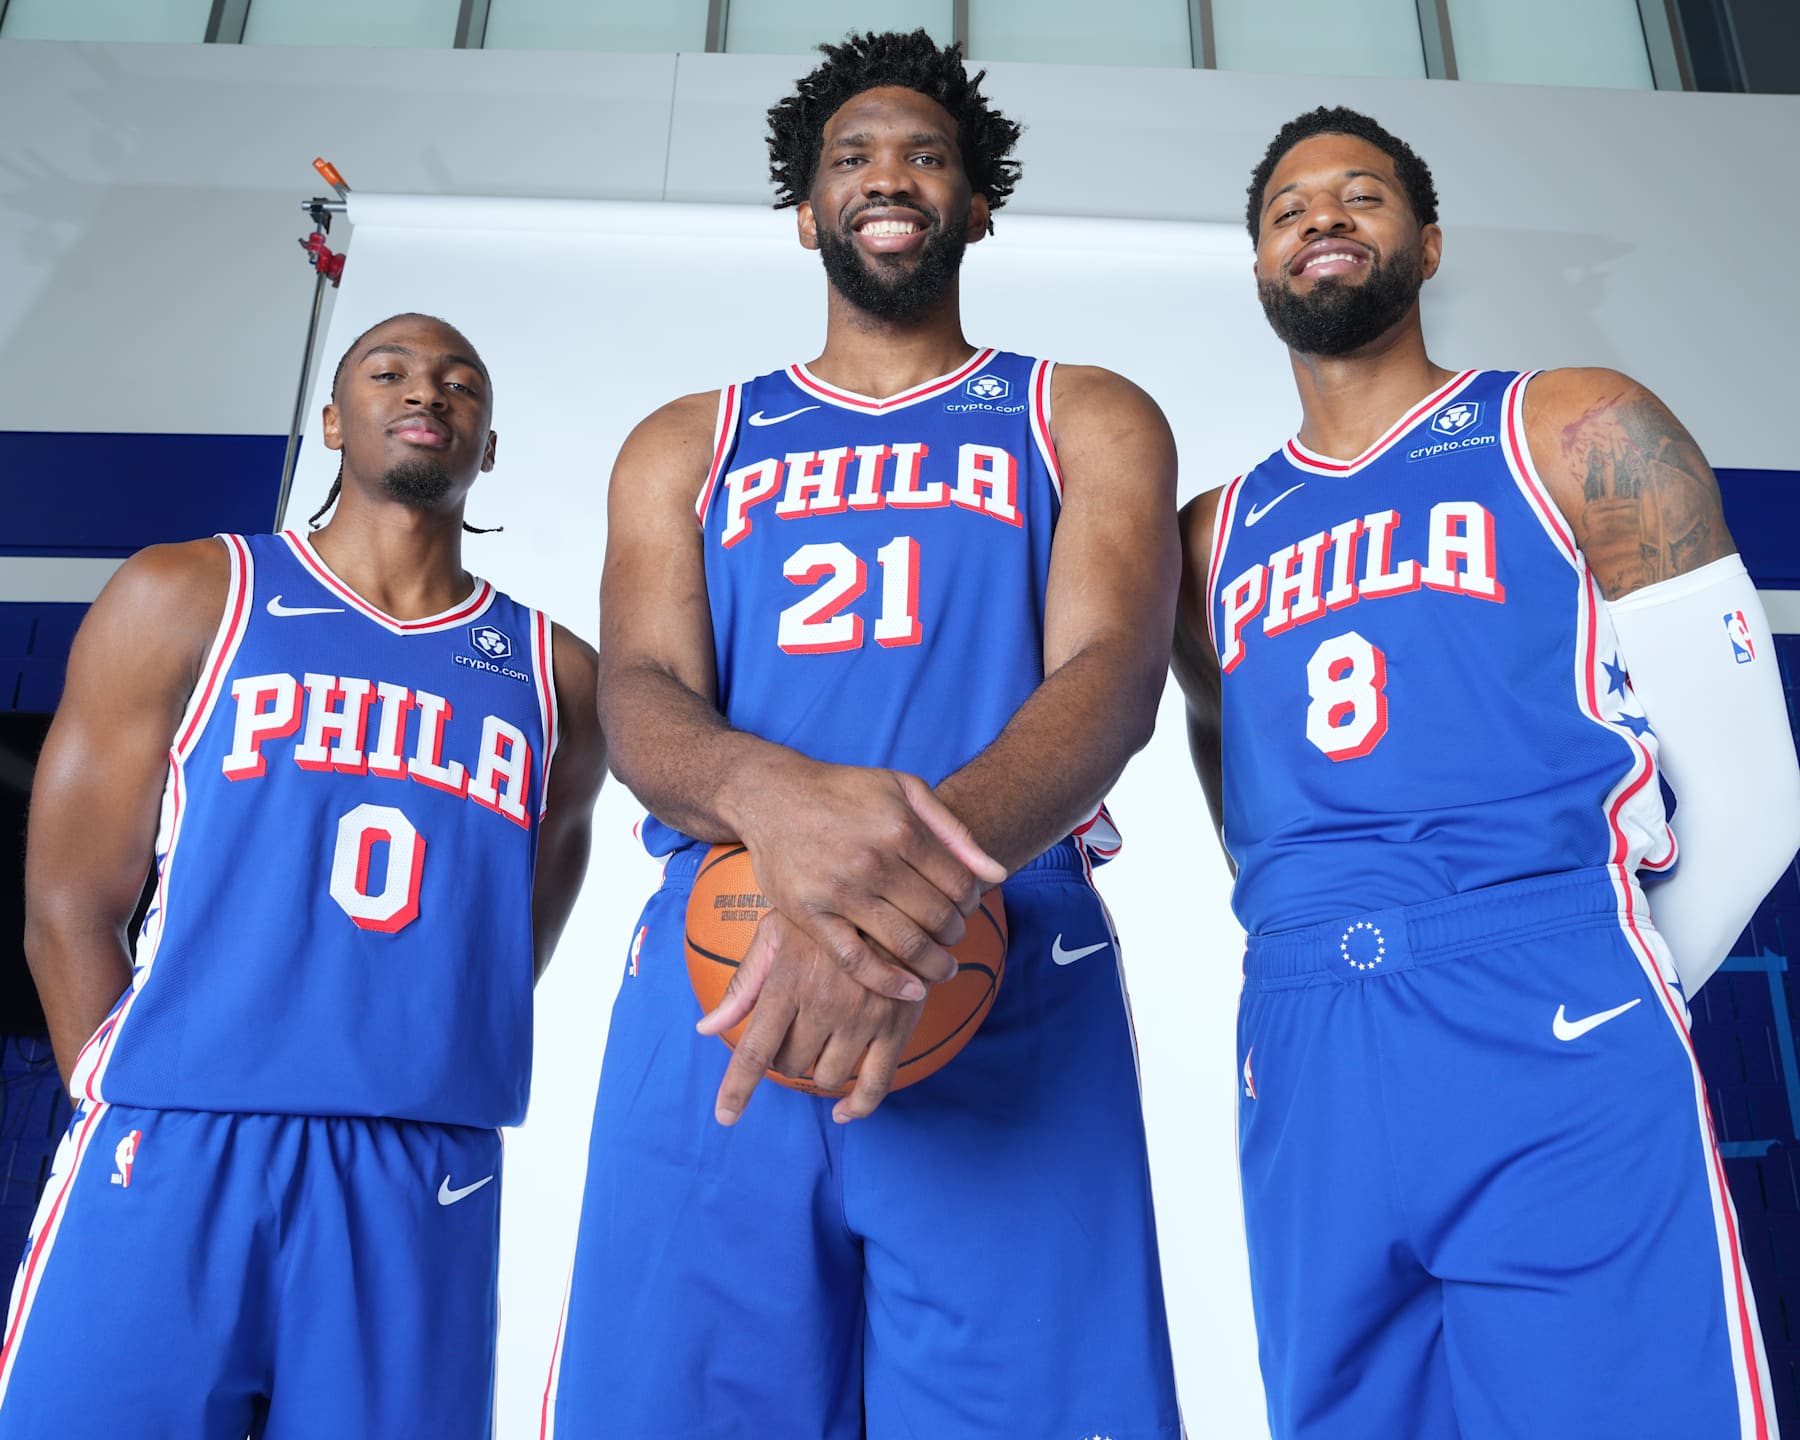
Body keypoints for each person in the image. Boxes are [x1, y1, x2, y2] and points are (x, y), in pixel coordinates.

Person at [546, 30, 1183, 1440]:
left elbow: (1110, 676)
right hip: (728, 961)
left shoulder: (1081, 412)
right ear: (805, 208)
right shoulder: (688, 439)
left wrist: (903, 894)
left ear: (977, 202)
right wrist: (778, 805)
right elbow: (643, 691)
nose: (887, 175)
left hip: (995, 955)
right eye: (852, 157)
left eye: (924, 154)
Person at [1173, 106, 1800, 1439]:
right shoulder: (1211, 533)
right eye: (1289, 209)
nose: (1323, 218)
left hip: (1546, 985)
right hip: (1304, 1028)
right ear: (1260, 267)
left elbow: (1758, 794)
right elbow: (1247, 808)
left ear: (1430, 242)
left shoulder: (1576, 426)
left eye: (1363, 196)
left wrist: (1616, 995)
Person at [1, 312, 606, 1438]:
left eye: (459, 382)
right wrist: (127, 1092)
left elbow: (505, 947)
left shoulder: (555, 676)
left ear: (487, 444)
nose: (427, 390)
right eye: (389, 371)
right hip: (177, 1135)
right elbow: (68, 905)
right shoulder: (190, 594)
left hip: (419, 1165)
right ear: (334, 420)